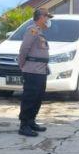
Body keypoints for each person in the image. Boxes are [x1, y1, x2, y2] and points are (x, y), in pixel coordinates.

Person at [17, 8, 52, 137]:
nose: (48, 20)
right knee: (30, 98)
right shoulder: (32, 30)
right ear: (41, 17)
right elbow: (24, 48)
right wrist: (21, 64)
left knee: (38, 97)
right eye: (47, 17)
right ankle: (24, 125)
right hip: (32, 71)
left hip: (41, 71)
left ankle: (31, 121)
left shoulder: (40, 32)